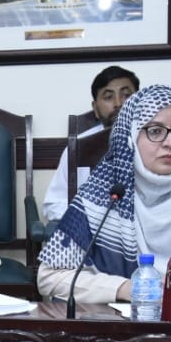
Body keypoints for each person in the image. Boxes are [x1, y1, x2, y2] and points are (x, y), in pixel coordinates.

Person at [37, 86, 171, 304]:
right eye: (155, 131)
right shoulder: (104, 194)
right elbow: (49, 277)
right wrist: (125, 288)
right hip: (118, 321)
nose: (170, 143)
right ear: (131, 137)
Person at [41, 66, 140, 224]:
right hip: (90, 232)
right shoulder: (78, 148)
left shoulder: (160, 142)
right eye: (108, 97)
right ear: (95, 109)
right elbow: (53, 205)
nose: (118, 103)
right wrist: (92, 217)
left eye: (126, 95)